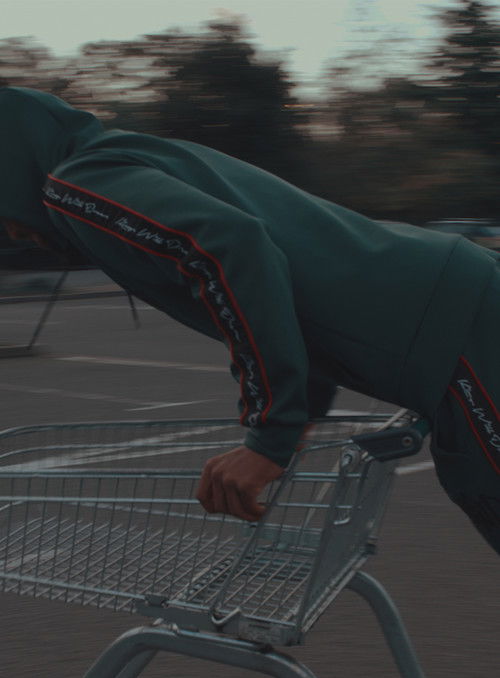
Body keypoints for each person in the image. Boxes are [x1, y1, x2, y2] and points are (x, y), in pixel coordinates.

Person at [0, 86, 499, 553]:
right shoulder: (133, 155)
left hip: (456, 334)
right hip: (454, 305)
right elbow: (300, 279)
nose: (11, 231)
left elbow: (232, 247)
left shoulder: (78, 183)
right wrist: (300, 412)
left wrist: (270, 435)